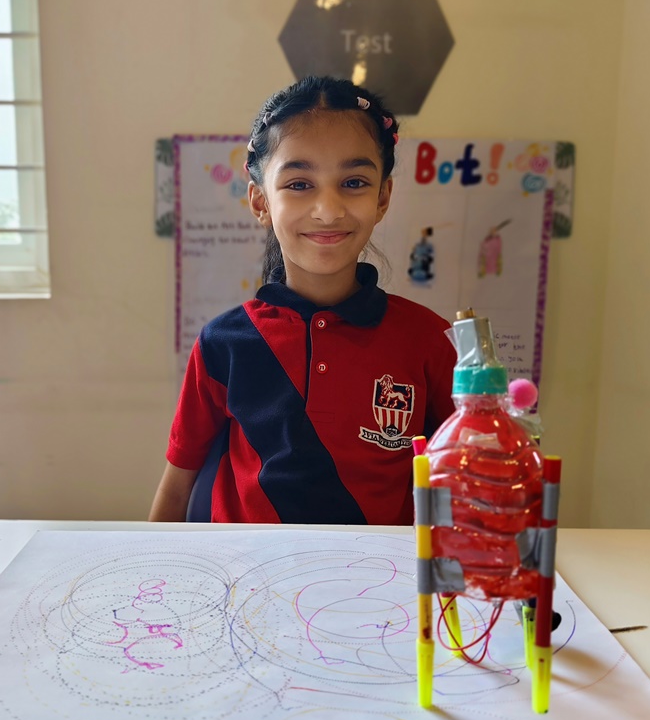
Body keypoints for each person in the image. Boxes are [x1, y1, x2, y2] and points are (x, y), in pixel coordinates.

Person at [149, 75, 457, 525]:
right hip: (245, 568)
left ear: (383, 197)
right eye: (298, 184)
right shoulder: (223, 343)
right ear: (260, 203)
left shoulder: (429, 340)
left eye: (354, 182)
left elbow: (465, 483)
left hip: (379, 570)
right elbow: (177, 485)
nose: (328, 210)